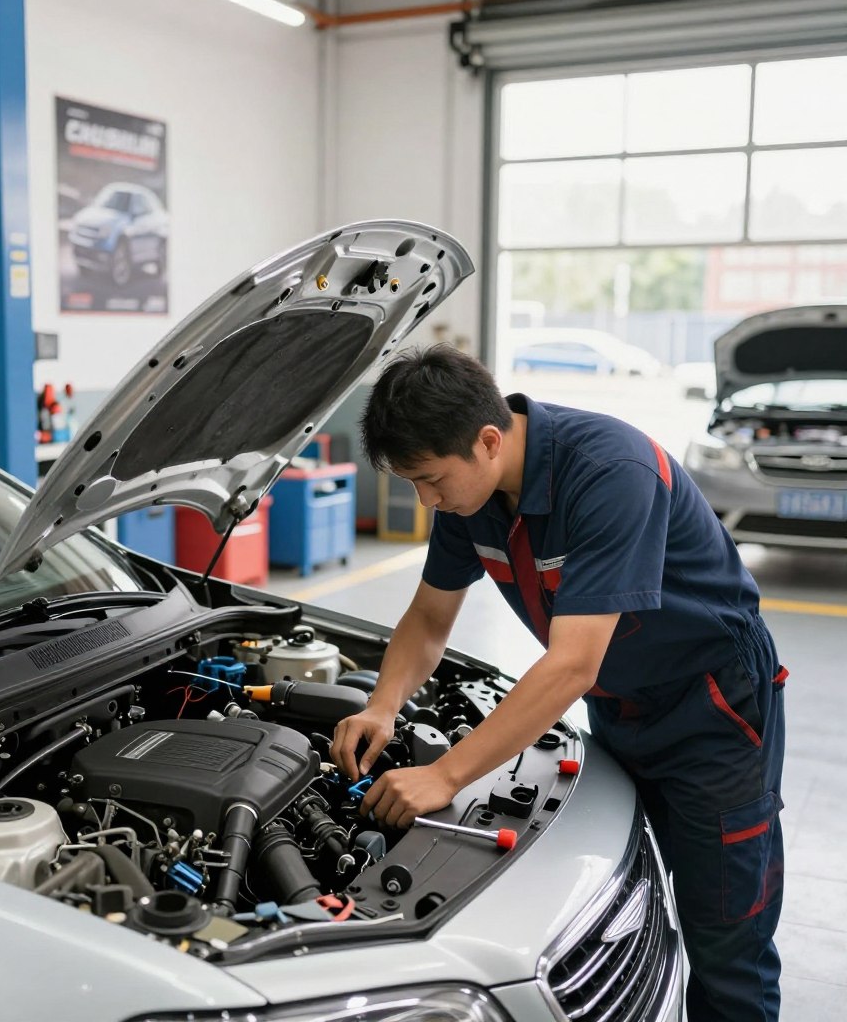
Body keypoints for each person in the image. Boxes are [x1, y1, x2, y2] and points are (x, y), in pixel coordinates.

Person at [330, 344, 786, 1022]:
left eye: (429, 479)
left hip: (712, 710)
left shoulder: (610, 472)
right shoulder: (470, 497)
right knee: (628, 903)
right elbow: (429, 618)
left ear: (489, 441)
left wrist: (448, 775)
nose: (426, 500)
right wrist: (383, 706)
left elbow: (574, 663)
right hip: (623, 705)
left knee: (726, 937)